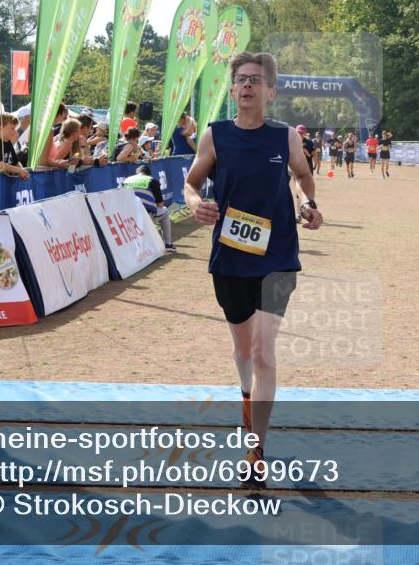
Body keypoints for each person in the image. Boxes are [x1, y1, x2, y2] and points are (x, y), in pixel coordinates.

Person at [183, 52, 323, 489]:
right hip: (230, 258)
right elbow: (190, 182)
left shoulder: (285, 138)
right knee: (244, 353)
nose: (246, 86)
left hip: (278, 256)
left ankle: (255, 450)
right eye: (240, 79)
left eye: (256, 81)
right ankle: (247, 401)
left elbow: (302, 177)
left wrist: (308, 204)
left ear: (271, 91)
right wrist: (195, 204)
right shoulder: (215, 136)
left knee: (263, 352)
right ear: (232, 89)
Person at [124, 165, 177, 254]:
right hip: (144, 216)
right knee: (165, 210)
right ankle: (168, 244)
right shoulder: (152, 180)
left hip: (127, 216)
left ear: (137, 173)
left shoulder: (127, 180)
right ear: (148, 174)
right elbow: (160, 204)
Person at [0, 113, 30, 179]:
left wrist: (22, 170)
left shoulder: (8, 142)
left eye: (15, 128)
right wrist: (19, 171)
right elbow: (0, 165)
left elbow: (16, 161)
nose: (15, 131)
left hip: (7, 183)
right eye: (12, 128)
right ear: (0, 128)